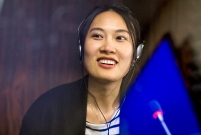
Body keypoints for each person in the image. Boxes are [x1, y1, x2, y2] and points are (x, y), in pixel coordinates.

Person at [19, 3, 143, 135]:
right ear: (81, 48)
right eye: (97, 36)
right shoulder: (45, 110)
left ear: (136, 53)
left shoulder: (151, 114)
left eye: (120, 38)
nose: (108, 48)